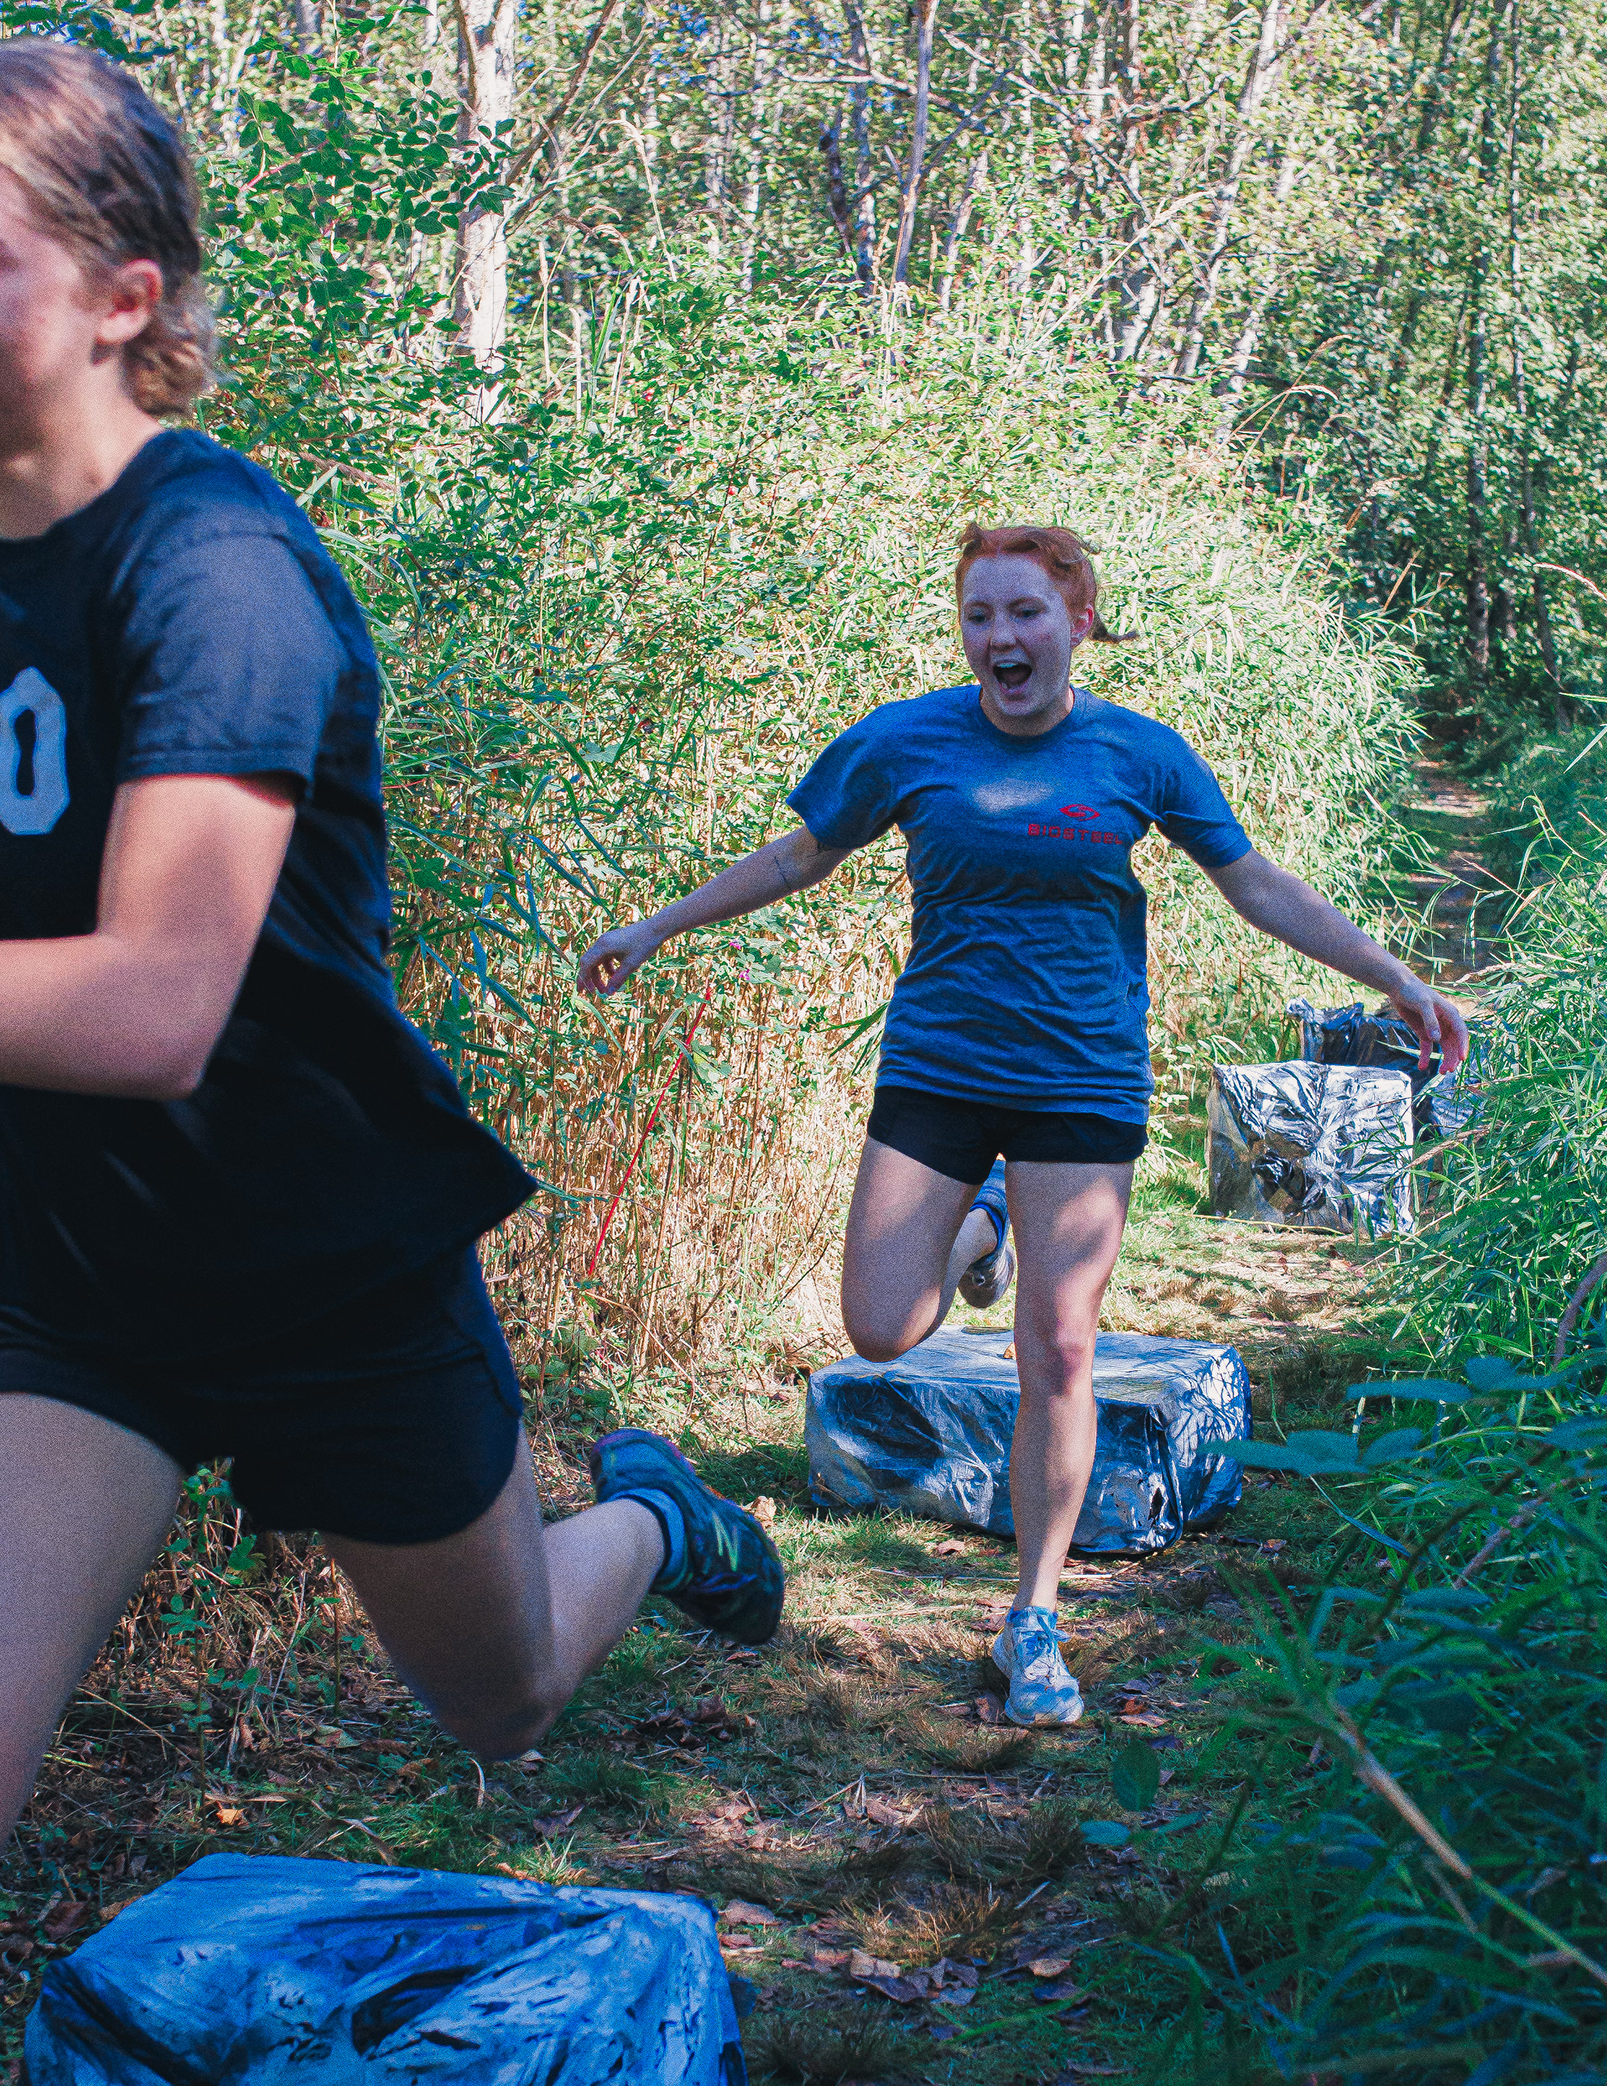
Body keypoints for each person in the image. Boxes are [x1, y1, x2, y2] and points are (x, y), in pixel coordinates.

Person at [0, 40, 781, 2086]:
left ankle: (653, 1517)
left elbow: (156, 1007)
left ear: (123, 293)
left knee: (505, 1702)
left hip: (333, 1270)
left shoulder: (219, 565)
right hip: (85, 1297)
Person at [578, 521, 1468, 1728]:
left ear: (1078, 623)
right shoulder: (906, 741)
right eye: (980, 615)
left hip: (1081, 1079)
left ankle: (1032, 1622)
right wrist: (655, 927)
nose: (1001, 636)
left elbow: (1255, 883)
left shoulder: (1139, 754)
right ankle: (984, 1228)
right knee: (880, 1327)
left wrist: (1394, 977)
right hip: (939, 1067)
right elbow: (798, 857)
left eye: (1026, 613)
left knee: (1057, 1350)